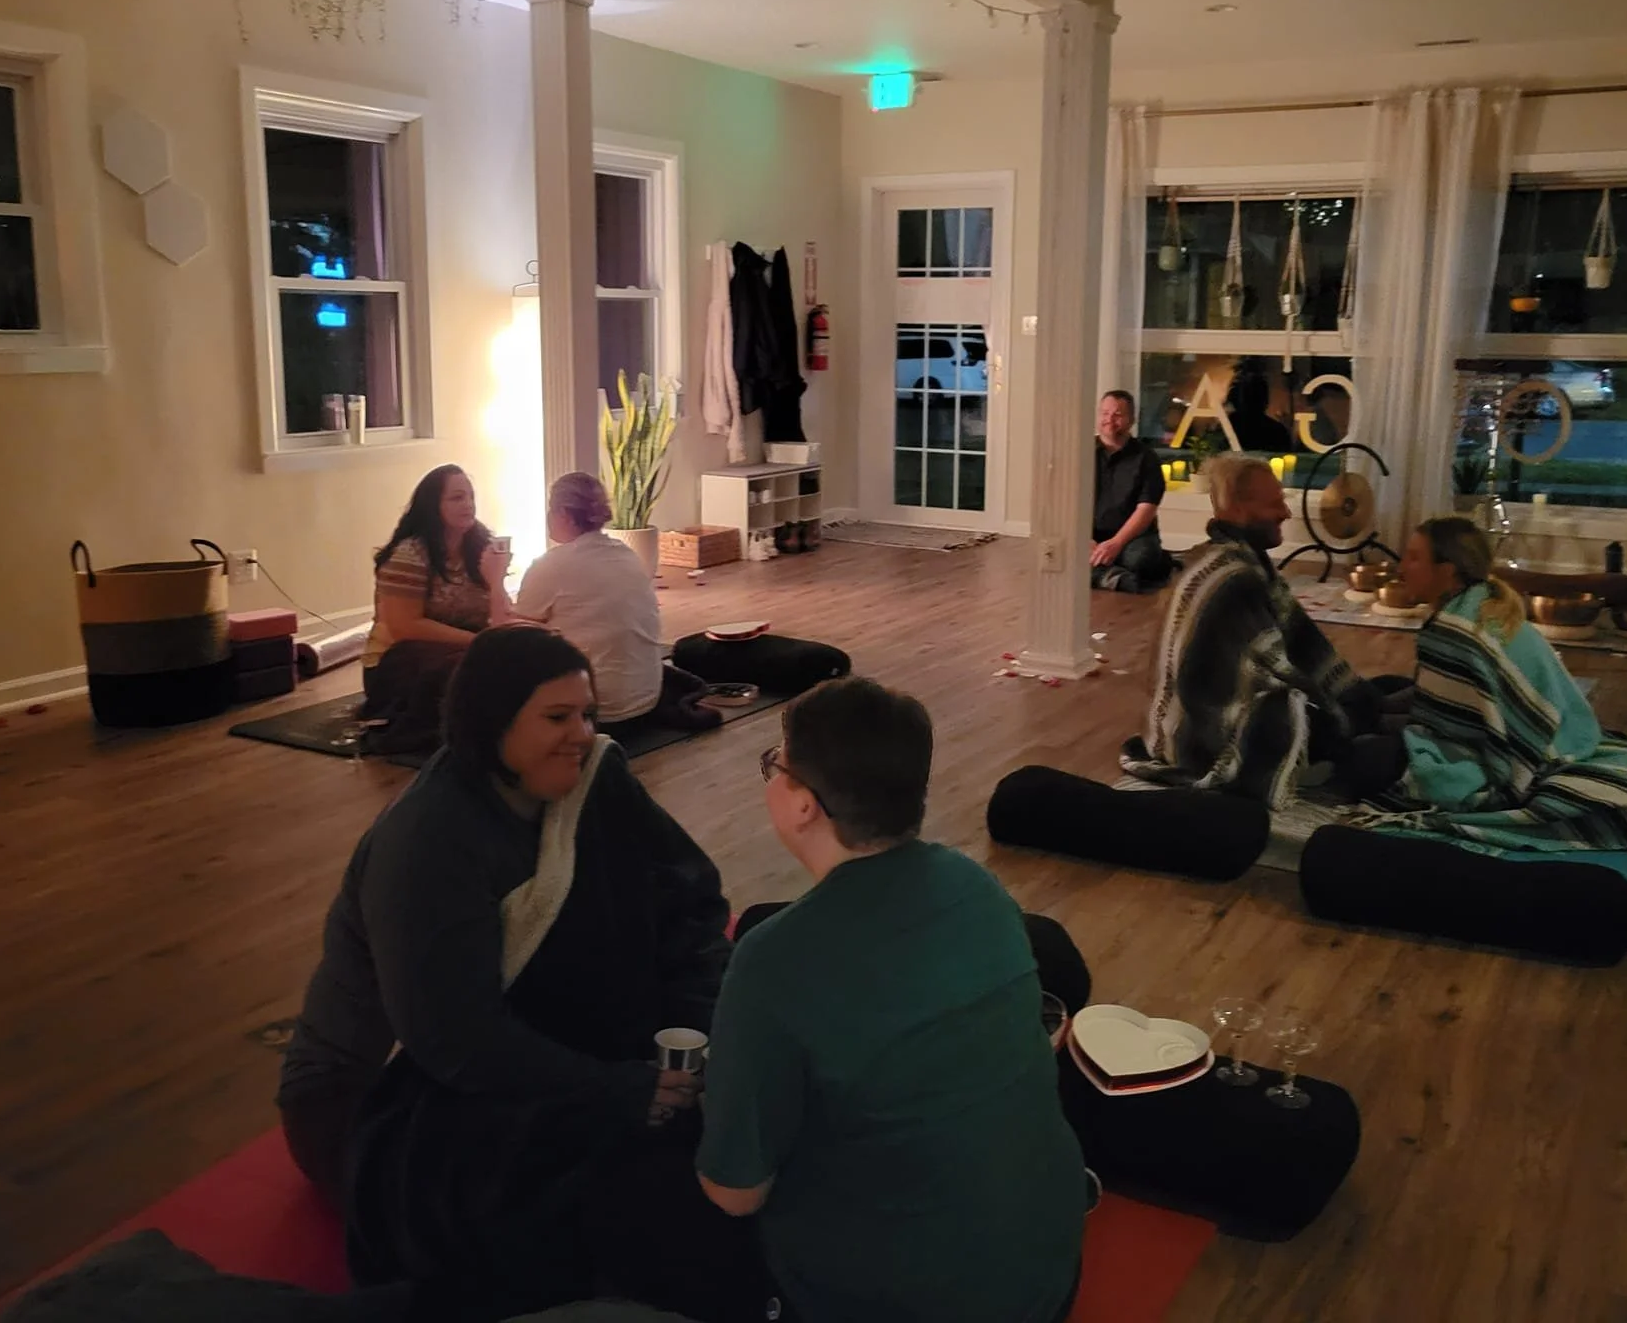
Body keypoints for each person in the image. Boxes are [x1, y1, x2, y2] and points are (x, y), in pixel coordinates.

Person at [277, 627, 765, 1322]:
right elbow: (453, 1043)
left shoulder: (591, 782)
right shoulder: (428, 842)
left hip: (509, 1045)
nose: (581, 734)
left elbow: (687, 904)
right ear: (492, 723)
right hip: (374, 1103)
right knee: (574, 1192)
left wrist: (702, 1022)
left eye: (586, 714)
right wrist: (619, 1090)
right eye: (557, 718)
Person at [697, 677, 1085, 1323]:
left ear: (803, 806)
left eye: (777, 766)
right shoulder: (976, 885)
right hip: (1047, 1271)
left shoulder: (771, 962)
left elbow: (733, 1193)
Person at [1375, 516, 1627, 850]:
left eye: (1414, 557)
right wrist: (1384, 706)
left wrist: (1380, 718)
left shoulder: (1454, 631)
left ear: (1447, 570)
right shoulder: (1481, 598)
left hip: (1518, 752)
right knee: (1386, 686)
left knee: (1367, 758)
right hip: (1560, 731)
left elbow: (1450, 728)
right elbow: (1445, 698)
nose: (1402, 567)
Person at [1125, 453, 1399, 807]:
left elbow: (1303, 641)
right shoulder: (1236, 578)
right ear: (1238, 509)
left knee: (1380, 691)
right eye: (1275, 503)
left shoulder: (1237, 560)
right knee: (1380, 754)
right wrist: (1349, 721)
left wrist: (1360, 701)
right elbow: (1284, 675)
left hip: (1182, 729)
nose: (1285, 512)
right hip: (1204, 743)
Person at [515, 473, 721, 740]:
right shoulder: (627, 555)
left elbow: (512, 633)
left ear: (564, 514)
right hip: (646, 698)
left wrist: (494, 579)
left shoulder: (550, 565)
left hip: (601, 712)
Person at [360, 464, 516, 753]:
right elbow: (405, 627)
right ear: (434, 505)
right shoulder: (410, 554)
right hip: (398, 661)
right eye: (456, 498)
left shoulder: (481, 544)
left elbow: (499, 616)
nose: (468, 504)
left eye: (470, 497)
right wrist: (480, 642)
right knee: (475, 668)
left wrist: (496, 582)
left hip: (463, 647)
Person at [1091, 389, 1175, 593]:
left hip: (1132, 537)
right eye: (1105, 413)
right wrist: (1084, 541)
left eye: (1118, 415)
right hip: (1090, 535)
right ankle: (1111, 577)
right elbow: (1070, 500)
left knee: (1140, 560)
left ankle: (1099, 573)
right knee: (1058, 553)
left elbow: (1146, 509)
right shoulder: (1082, 452)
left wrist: (1116, 543)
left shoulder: (1147, 459)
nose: (1109, 420)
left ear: (1132, 420)